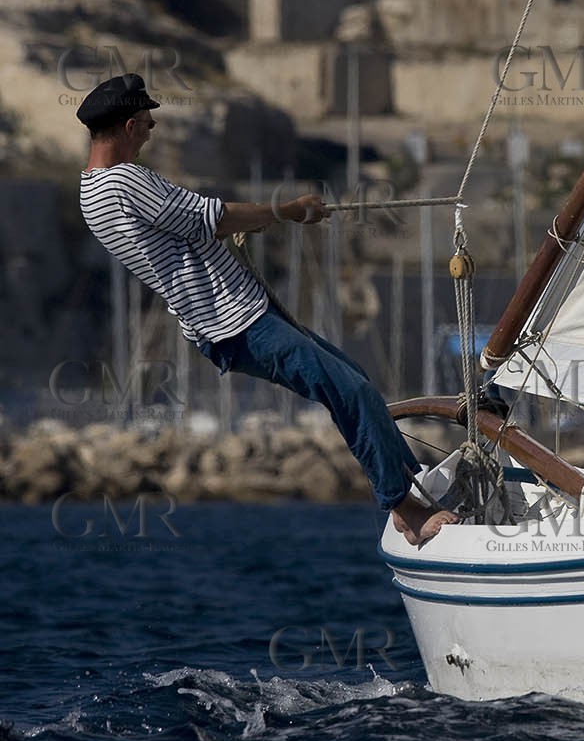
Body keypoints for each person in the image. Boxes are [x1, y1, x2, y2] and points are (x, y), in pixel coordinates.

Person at [74, 74, 457, 546]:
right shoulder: (126, 180)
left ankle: (416, 484)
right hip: (236, 321)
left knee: (353, 380)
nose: (153, 130)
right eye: (149, 123)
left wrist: (234, 228)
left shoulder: (89, 193)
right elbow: (209, 218)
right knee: (351, 389)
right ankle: (404, 507)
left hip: (233, 319)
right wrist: (291, 210)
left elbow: (183, 231)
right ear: (130, 126)